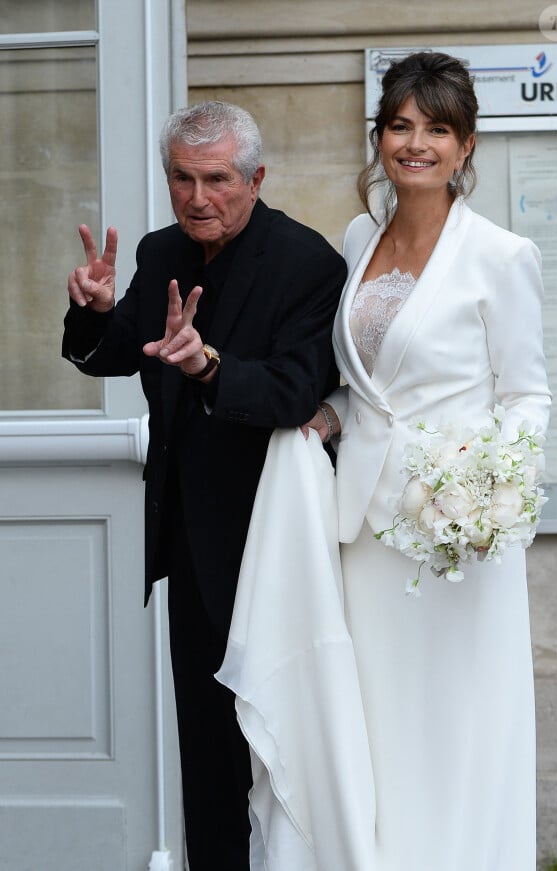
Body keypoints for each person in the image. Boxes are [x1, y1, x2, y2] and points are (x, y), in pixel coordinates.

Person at [62, 100, 346, 870]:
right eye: (182, 179)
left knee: (280, 747)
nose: (198, 197)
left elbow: (296, 387)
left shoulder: (307, 262)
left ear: (256, 178)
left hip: (276, 542)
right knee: (207, 762)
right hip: (189, 544)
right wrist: (90, 315)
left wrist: (208, 365)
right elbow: (123, 347)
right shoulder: (160, 253)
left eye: (217, 179)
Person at [301, 51, 551, 870]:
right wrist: (323, 417)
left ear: (466, 145)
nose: (416, 144)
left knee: (460, 722)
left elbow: (526, 396)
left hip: (457, 539)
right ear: (379, 137)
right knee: (381, 720)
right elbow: (362, 383)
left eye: (436, 129)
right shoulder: (357, 236)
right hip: (365, 532)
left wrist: (489, 493)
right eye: (401, 125)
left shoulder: (501, 256)